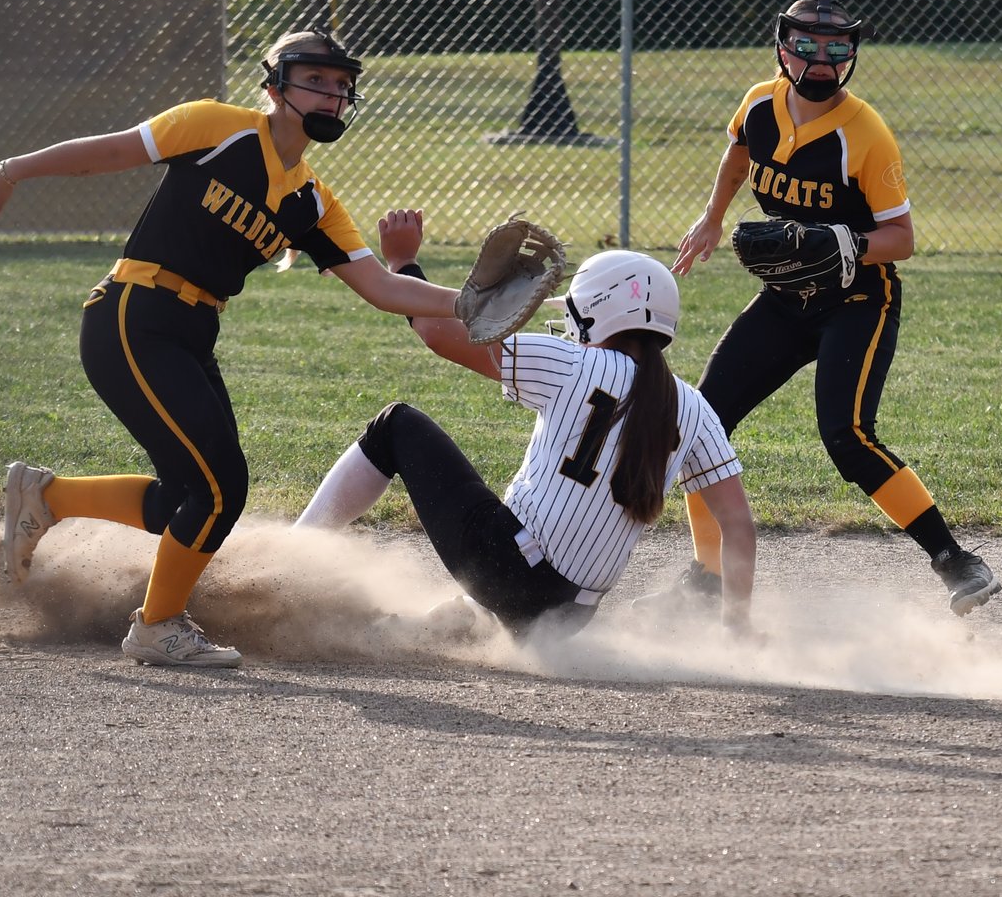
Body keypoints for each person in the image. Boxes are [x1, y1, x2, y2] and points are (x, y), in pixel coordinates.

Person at [0, 30, 465, 668]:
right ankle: (156, 627)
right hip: (134, 314)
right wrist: (13, 169)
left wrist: (471, 303)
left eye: (342, 87)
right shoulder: (217, 126)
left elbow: (380, 287)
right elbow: (110, 152)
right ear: (274, 85)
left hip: (192, 330)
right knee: (220, 488)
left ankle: (49, 498)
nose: (331, 94)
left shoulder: (312, 201)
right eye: (315, 79)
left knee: (187, 495)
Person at [670, 0, 1001, 615]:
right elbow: (738, 153)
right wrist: (711, 217)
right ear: (781, 51)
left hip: (858, 299)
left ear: (852, 56)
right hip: (786, 297)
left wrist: (841, 242)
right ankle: (706, 582)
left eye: (836, 49)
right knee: (699, 426)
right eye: (806, 47)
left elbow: (901, 239)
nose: (820, 61)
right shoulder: (759, 103)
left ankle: (958, 562)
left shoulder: (865, 134)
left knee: (846, 436)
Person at [296, 209, 755, 638]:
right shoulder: (694, 407)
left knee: (396, 426)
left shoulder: (573, 364)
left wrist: (404, 264)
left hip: (511, 574)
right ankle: (466, 619)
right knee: (528, 509)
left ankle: (290, 560)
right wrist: (736, 627)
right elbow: (737, 525)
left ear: (597, 312)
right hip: (570, 615)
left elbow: (438, 334)